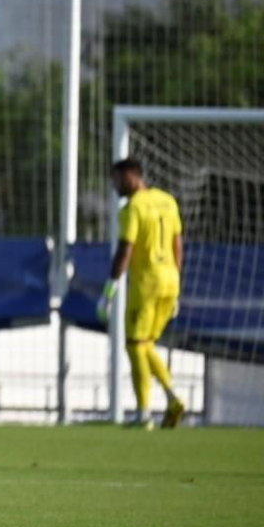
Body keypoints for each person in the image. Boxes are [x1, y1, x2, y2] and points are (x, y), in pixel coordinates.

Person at [98, 157, 186, 429]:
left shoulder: (132, 208)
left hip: (146, 283)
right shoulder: (168, 200)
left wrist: (109, 289)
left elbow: (126, 249)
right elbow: (177, 244)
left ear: (132, 176)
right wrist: (177, 284)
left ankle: (144, 413)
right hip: (170, 280)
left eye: (117, 179)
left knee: (135, 345)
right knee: (146, 344)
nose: (114, 185)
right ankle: (171, 400)